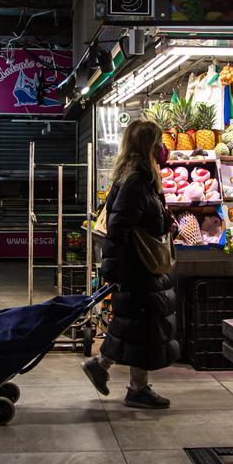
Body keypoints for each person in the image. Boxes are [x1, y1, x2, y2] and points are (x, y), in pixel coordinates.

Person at [81, 118, 179, 409]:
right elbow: (119, 225)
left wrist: (164, 220)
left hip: (139, 267)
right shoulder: (136, 180)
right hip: (138, 267)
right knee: (143, 326)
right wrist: (111, 268)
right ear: (148, 146)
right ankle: (133, 385)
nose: (163, 148)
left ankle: (109, 369)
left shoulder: (141, 177)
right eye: (159, 143)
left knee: (138, 326)